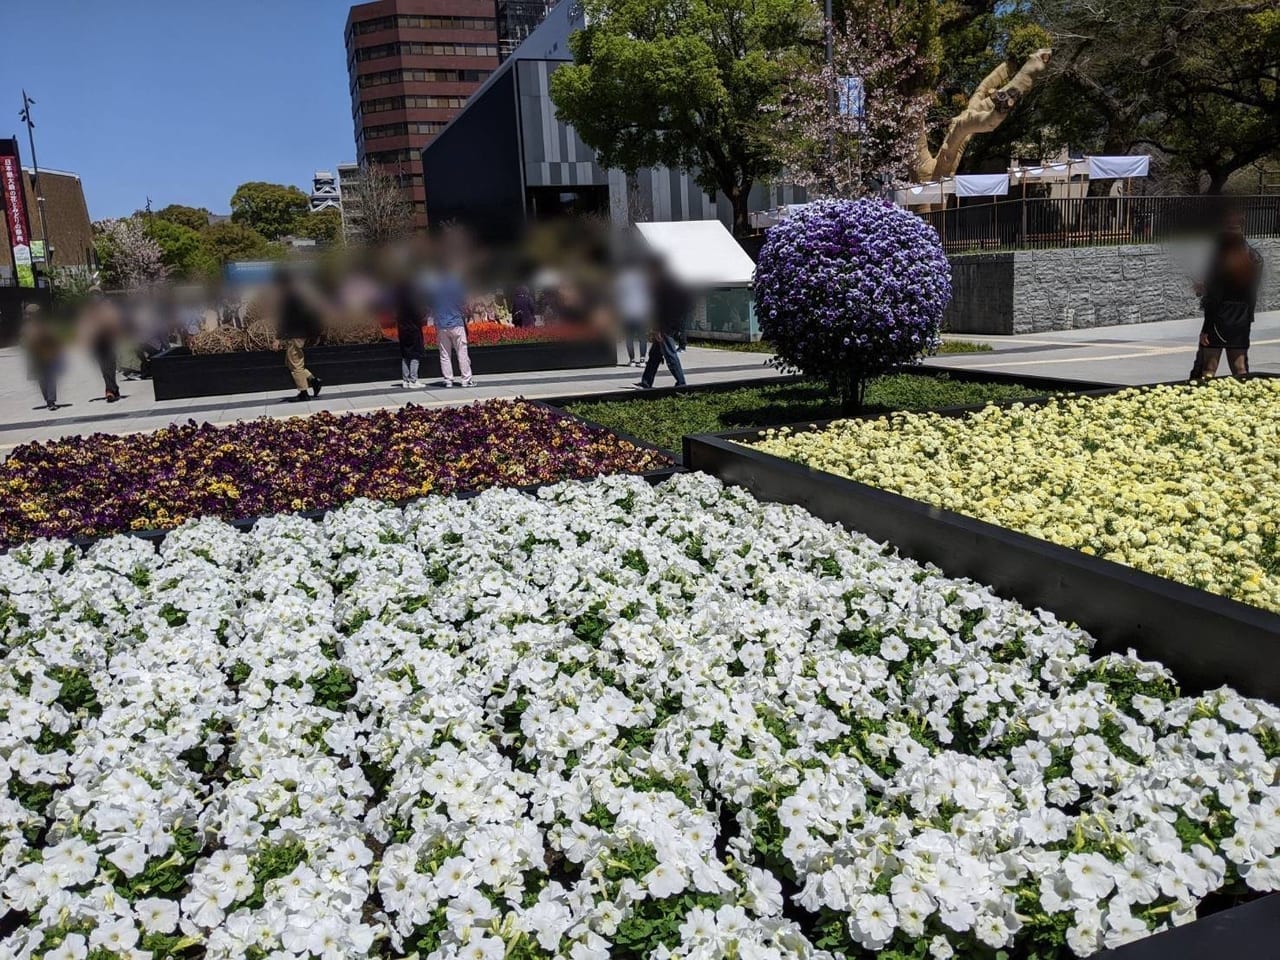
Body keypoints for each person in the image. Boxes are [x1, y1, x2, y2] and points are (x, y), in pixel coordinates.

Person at [1192, 215, 1264, 379]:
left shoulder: (1221, 259)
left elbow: (1215, 296)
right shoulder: (1254, 257)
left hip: (1220, 316)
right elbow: (1250, 291)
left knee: (1209, 369)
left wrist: (1206, 327)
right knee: (1240, 368)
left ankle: (1206, 402)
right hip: (1242, 317)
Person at [634, 258, 689, 390]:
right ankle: (646, 382)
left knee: (670, 355)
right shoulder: (667, 284)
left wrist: (659, 329)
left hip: (665, 328)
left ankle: (681, 382)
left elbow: (664, 310)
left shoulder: (663, 286)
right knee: (654, 356)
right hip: (667, 326)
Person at [274, 272, 324, 402]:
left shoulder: (288, 298)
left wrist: (278, 338)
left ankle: (304, 393)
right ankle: (314, 380)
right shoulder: (299, 297)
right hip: (301, 334)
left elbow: (285, 320)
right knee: (291, 363)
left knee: (296, 365)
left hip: (294, 336)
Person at [424, 264, 473, 388]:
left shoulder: (434, 288)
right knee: (462, 352)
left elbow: (430, 305)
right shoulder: (456, 285)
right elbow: (464, 302)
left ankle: (448, 380)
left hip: (441, 324)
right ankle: (466, 379)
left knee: (444, 354)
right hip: (456, 322)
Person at [80, 288, 124, 402]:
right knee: (104, 368)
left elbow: (115, 322)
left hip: (108, 340)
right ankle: (112, 389)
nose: (94, 296)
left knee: (110, 367)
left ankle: (111, 390)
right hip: (96, 342)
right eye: (92, 294)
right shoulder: (88, 310)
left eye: (96, 293)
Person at [21, 303, 64, 411]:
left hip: (47, 354)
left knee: (50, 378)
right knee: (42, 379)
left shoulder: (44, 324)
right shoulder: (27, 328)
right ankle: (48, 399)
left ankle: (51, 400)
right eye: (29, 314)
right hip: (36, 357)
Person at [615, 260, 651, 367]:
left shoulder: (622, 279)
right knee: (642, 337)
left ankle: (632, 360)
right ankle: (643, 359)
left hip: (627, 312)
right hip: (640, 311)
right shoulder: (643, 279)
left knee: (629, 337)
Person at [394, 280, 426, 389]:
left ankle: (405, 380)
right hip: (413, 330)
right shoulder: (412, 301)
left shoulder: (398, 303)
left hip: (402, 331)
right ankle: (413, 380)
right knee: (415, 354)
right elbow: (420, 314)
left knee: (405, 355)